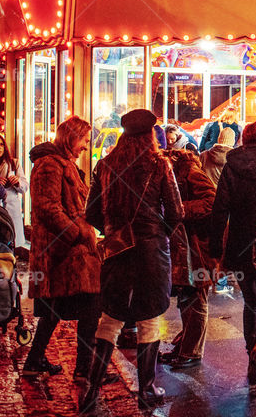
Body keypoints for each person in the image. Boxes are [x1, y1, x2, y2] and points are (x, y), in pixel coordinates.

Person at [81, 109, 183, 412]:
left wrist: (114, 231)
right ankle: (147, 389)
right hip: (151, 252)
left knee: (111, 317)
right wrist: (155, 232)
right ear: (150, 135)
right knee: (149, 317)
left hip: (117, 250)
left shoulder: (105, 165)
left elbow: (91, 213)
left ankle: (91, 391)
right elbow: (176, 211)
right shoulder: (160, 164)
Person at [24, 117, 104, 380]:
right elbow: (47, 206)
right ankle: (85, 369)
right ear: (71, 137)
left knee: (55, 308)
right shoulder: (51, 164)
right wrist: (76, 232)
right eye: (83, 139)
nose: (85, 145)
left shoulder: (63, 163)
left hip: (66, 250)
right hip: (65, 251)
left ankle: (35, 359)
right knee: (91, 304)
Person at [209, 121, 256, 385]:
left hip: (241, 243)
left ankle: (249, 346)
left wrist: (216, 249)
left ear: (243, 139)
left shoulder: (232, 167)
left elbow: (220, 209)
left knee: (249, 299)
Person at [161, 138, 218, 369]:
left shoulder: (190, 170)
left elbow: (211, 200)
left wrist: (179, 209)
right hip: (185, 245)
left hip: (197, 246)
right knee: (187, 296)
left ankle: (191, 351)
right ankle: (185, 346)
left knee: (195, 298)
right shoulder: (175, 170)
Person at [0, 132, 28, 250]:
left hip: (11, 206)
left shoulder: (14, 163)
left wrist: (17, 182)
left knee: (11, 241)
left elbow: (25, 186)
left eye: (1, 144)